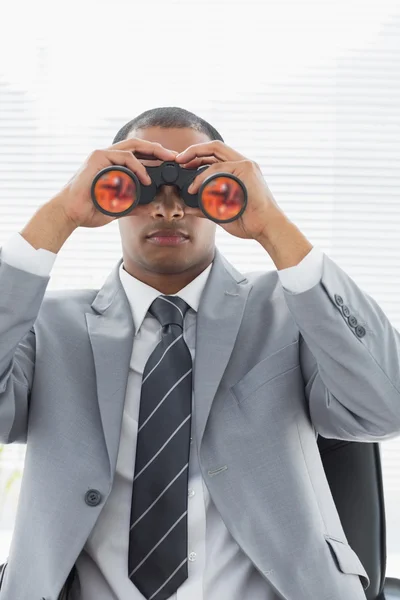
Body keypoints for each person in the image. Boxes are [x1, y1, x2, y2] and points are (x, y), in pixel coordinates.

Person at [0, 106, 399, 600]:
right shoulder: (48, 327)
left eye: (195, 189)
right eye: (139, 189)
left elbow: (386, 407)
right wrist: (59, 214)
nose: (169, 209)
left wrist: (273, 224)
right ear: (111, 197)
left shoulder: (288, 313)